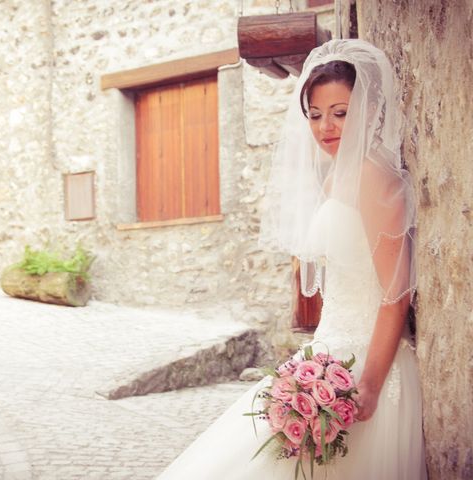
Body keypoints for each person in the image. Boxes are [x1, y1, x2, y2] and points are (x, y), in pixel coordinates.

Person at [157, 39, 427, 480]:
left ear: (369, 109)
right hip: (326, 353)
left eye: (340, 113)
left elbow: (395, 295)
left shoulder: (374, 178)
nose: (326, 127)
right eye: (316, 115)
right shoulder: (339, 174)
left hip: (368, 366)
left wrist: (370, 387)